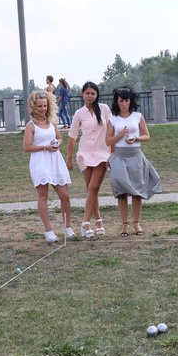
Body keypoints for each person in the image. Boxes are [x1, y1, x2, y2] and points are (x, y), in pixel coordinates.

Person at [105, 86, 161, 236]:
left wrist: (136, 138)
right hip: (119, 156)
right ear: (117, 102)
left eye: (127, 100)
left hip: (135, 155)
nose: (124, 103)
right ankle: (125, 225)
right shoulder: (112, 119)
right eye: (121, 101)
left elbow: (146, 135)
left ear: (131, 101)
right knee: (121, 192)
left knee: (137, 191)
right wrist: (120, 135)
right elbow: (108, 140)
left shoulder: (137, 116)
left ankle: (137, 223)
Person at [23, 90, 76, 242]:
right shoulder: (31, 126)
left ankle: (67, 227)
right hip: (40, 162)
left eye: (45, 106)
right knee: (43, 196)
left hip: (55, 161)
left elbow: (59, 139)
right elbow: (26, 147)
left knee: (65, 195)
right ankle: (48, 231)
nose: (43, 109)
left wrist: (56, 143)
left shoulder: (52, 123)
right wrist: (45, 147)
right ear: (34, 107)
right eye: (40, 106)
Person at [66, 81, 111, 238]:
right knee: (92, 190)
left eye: (93, 93)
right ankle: (98, 220)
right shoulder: (79, 113)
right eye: (87, 93)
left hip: (102, 154)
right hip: (84, 155)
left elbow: (111, 129)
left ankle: (85, 223)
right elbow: (72, 137)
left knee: (93, 187)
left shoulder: (104, 109)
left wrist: (114, 152)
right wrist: (69, 158)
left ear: (97, 95)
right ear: (82, 95)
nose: (90, 96)